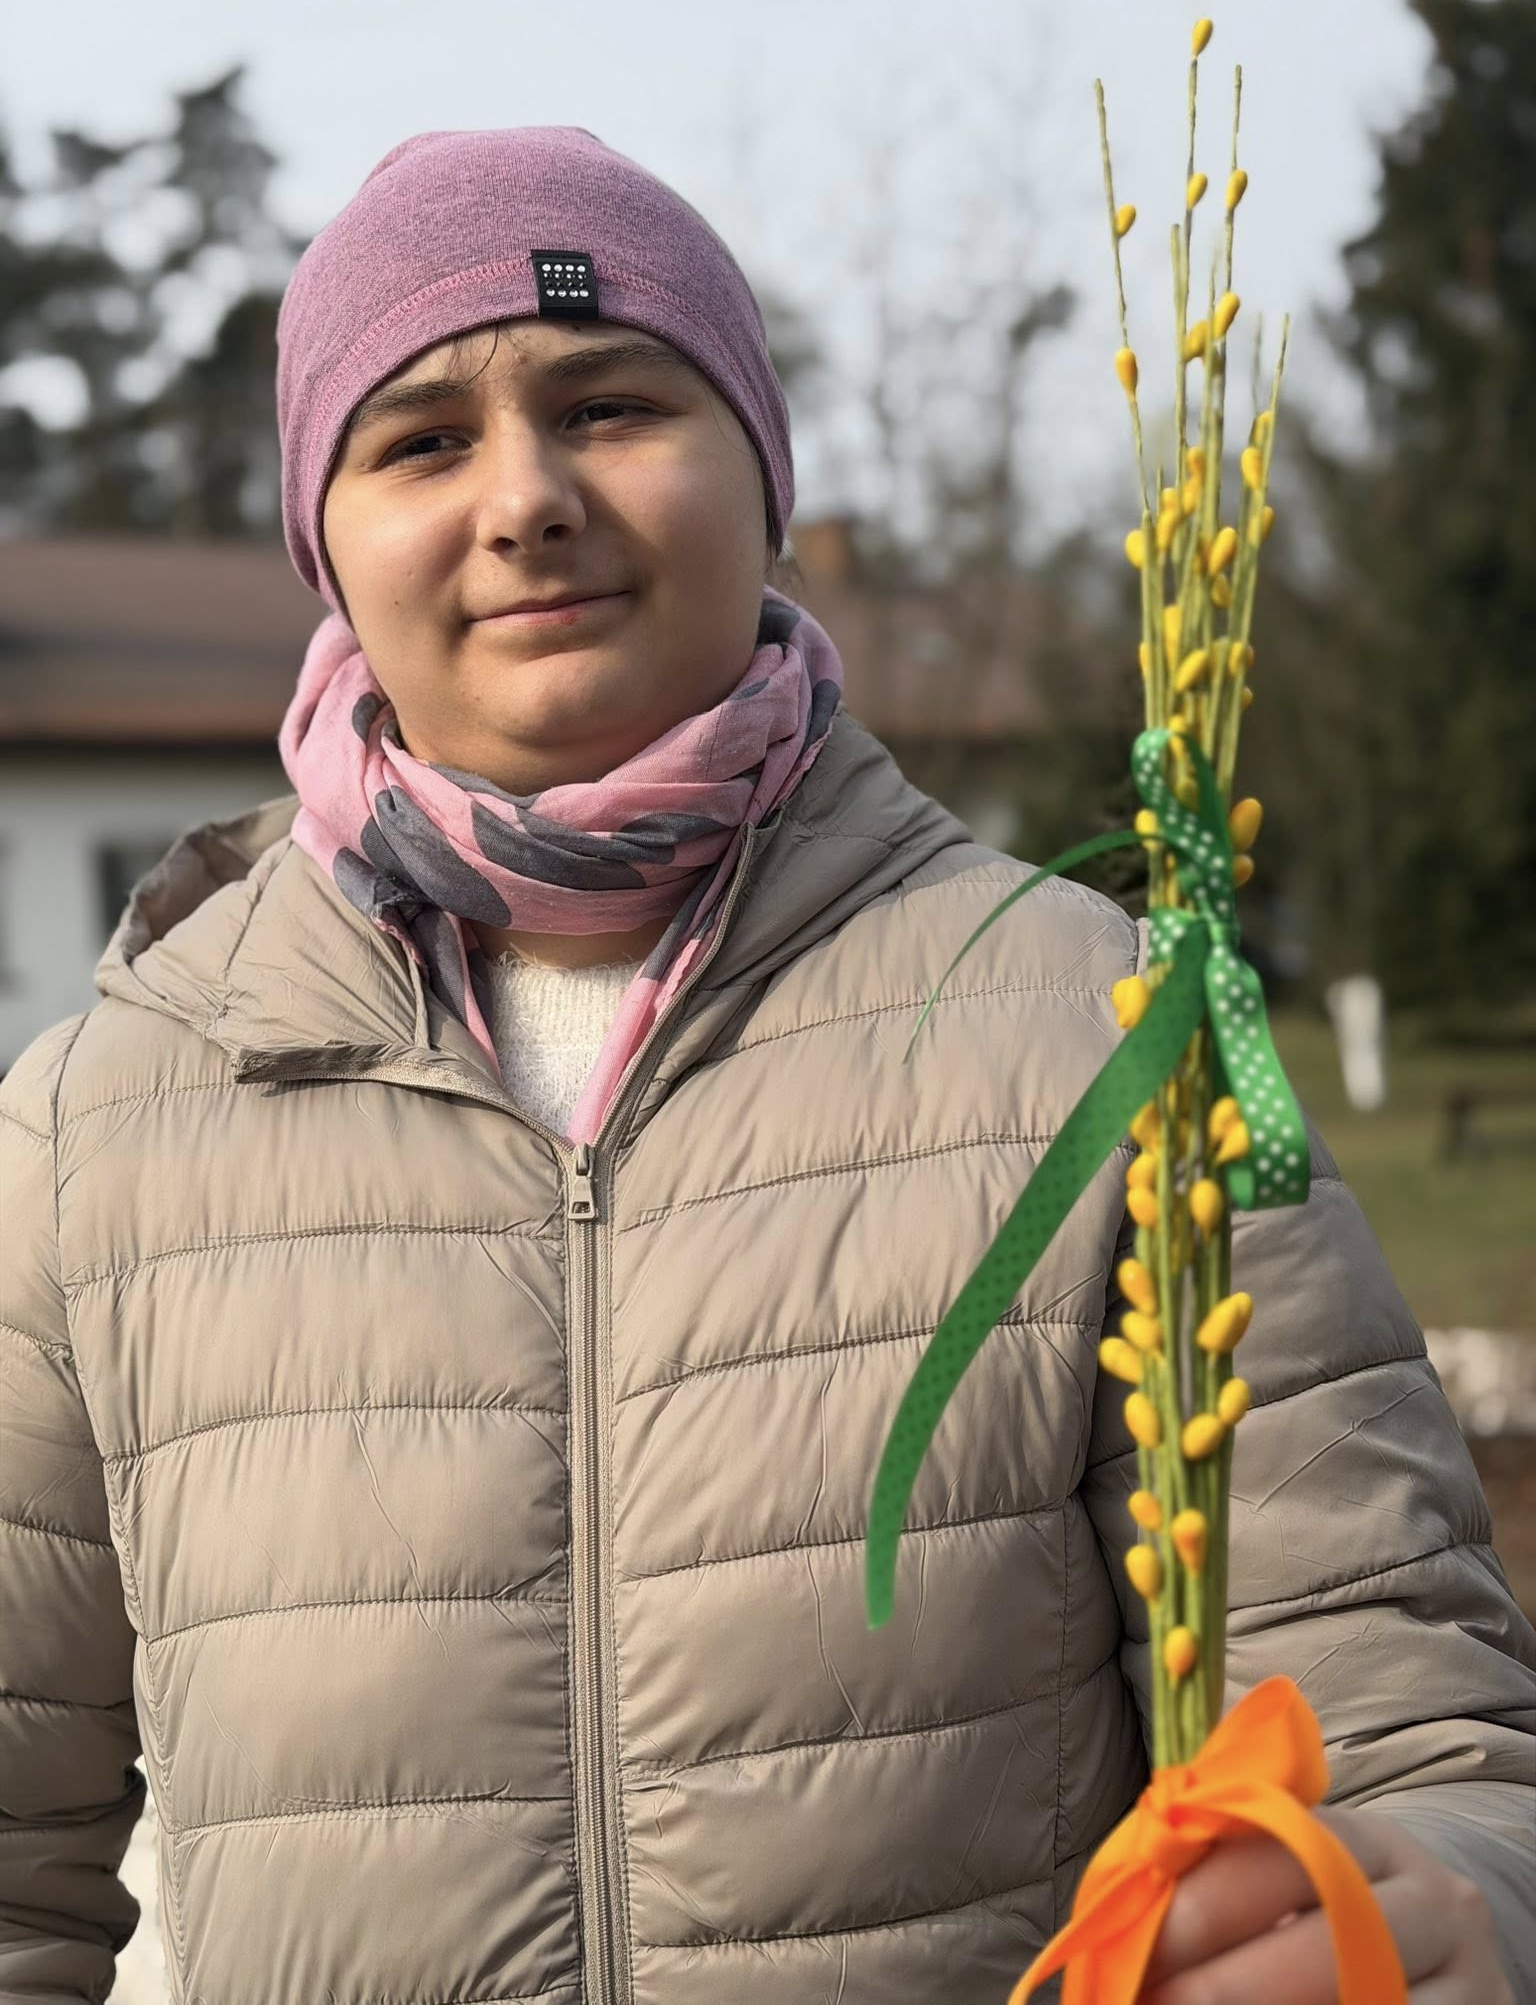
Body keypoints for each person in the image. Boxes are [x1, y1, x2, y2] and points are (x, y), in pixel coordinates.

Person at [0, 125, 1530, 2005]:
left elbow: (1402, 1728)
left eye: (611, 404)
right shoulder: (97, 1130)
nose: (526, 498)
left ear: (768, 478)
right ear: (328, 548)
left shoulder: (1113, 1033)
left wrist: (1443, 1902)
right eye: (420, 442)